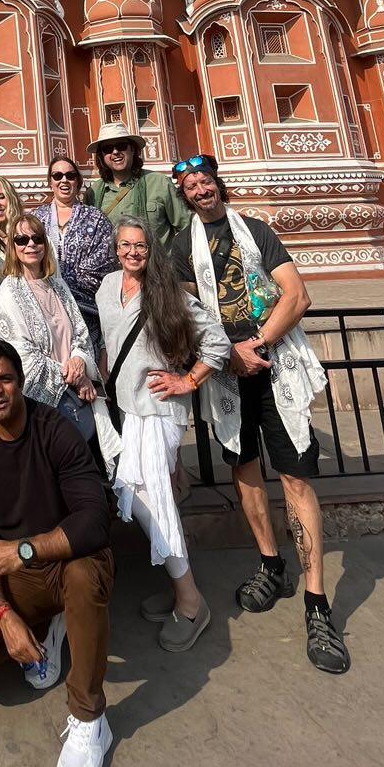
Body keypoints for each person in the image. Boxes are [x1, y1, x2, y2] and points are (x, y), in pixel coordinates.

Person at [169, 153, 349, 674]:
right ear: (184, 197)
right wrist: (232, 350)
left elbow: (298, 294)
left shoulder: (257, 230)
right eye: (191, 186)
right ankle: (272, 564)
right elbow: (187, 314)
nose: (200, 190)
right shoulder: (183, 249)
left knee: (294, 476)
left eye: (205, 182)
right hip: (228, 372)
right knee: (244, 468)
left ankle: (317, 604)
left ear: (218, 185)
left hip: (273, 364)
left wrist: (257, 343)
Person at [0, 341, 115, 767]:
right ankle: (44, 629)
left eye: (5, 379)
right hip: (18, 574)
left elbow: (95, 520)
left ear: (19, 382)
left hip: (65, 558)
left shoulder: (54, 430)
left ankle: (89, 716)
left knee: (82, 577)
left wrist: (22, 550)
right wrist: (4, 617)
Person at [95, 217, 229, 651]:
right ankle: (177, 587)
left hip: (158, 411)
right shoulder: (106, 287)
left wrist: (187, 381)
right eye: (125, 245)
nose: (133, 252)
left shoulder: (167, 293)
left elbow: (217, 344)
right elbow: (110, 343)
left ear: (151, 251)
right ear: (115, 249)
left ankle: (191, 603)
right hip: (123, 411)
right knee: (145, 500)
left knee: (149, 501)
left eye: (141, 246)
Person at [0, 213, 118, 471]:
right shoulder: (9, 290)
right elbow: (19, 354)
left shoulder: (57, 285)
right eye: (21, 239)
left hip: (74, 396)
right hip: (41, 401)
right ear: (13, 248)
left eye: (37, 238)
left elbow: (80, 334)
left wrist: (79, 361)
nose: (30, 245)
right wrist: (72, 376)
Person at [33, 155, 114, 351]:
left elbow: (105, 262)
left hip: (87, 314)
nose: (64, 180)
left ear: (78, 181)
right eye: (57, 175)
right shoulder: (36, 219)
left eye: (70, 175)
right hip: (46, 313)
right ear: (50, 182)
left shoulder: (95, 219)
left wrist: (61, 281)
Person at [86, 122, 190, 249]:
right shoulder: (94, 193)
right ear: (102, 156)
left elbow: (187, 227)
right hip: (114, 268)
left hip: (159, 266)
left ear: (133, 149)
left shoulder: (159, 183)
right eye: (107, 149)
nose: (115, 152)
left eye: (121, 146)